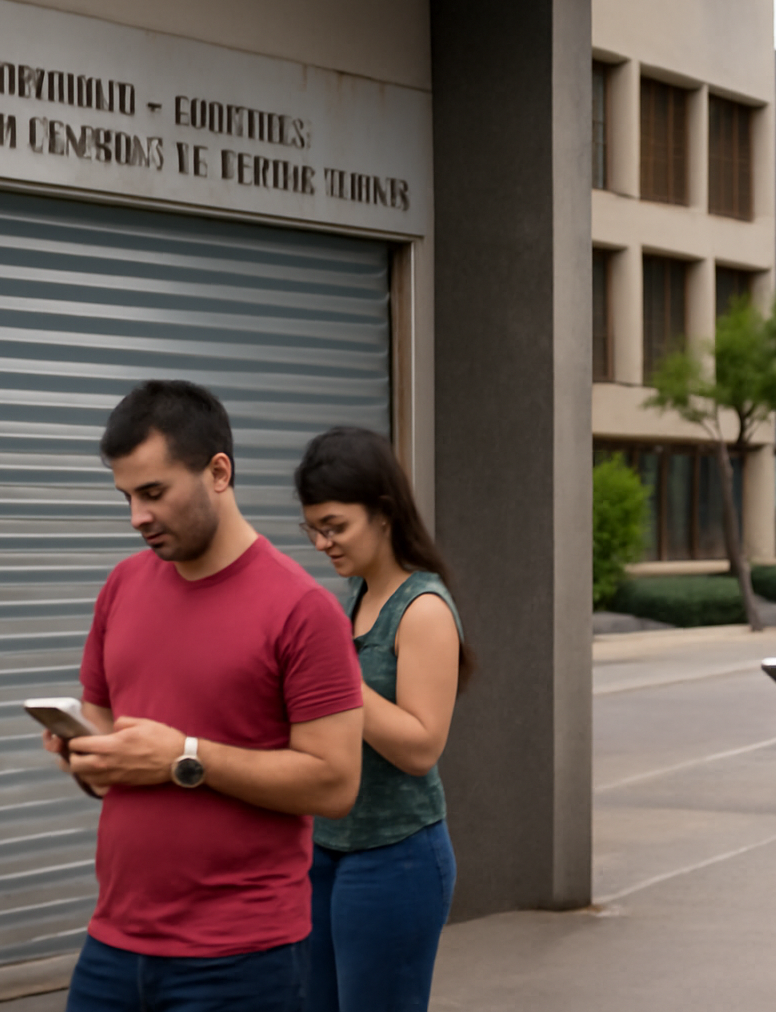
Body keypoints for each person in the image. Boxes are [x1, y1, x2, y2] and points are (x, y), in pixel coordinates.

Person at [43, 381, 366, 1012]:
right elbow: (111, 735)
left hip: (242, 959)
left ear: (218, 471)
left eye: (154, 492)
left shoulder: (302, 610)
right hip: (113, 945)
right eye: (127, 496)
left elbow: (335, 783)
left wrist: (182, 757)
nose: (137, 515)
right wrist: (88, 757)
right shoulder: (123, 585)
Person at [294, 427, 470, 1012]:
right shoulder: (357, 595)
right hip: (329, 847)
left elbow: (422, 747)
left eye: (335, 526)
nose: (322, 543)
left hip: (397, 856)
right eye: (312, 528)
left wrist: (334, 680)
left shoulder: (421, 609)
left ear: (384, 514)